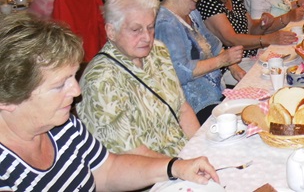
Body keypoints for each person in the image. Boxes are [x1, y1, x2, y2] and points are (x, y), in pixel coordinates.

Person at [0, 14, 218, 191]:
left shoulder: (63, 127)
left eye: (72, 78)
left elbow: (107, 169)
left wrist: (175, 167)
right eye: (59, 85)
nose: (76, 91)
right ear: (7, 99)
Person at [78, 0, 199, 157]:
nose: (147, 38)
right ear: (111, 31)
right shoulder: (100, 81)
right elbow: (130, 155)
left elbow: (182, 109)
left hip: (183, 154)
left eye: (150, 28)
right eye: (136, 30)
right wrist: (181, 166)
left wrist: (201, 149)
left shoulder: (158, 51)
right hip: (149, 173)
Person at [155, 0, 243, 123]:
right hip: (193, 105)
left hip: (215, 91)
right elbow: (180, 72)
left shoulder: (192, 12)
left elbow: (213, 43)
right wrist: (222, 61)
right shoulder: (166, 23)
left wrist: (235, 68)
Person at [198, 0, 297, 82]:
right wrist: (268, 39)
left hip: (250, 57)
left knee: (288, 65)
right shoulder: (208, 1)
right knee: (278, 76)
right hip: (231, 67)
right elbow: (231, 40)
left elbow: (250, 28)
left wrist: (262, 24)